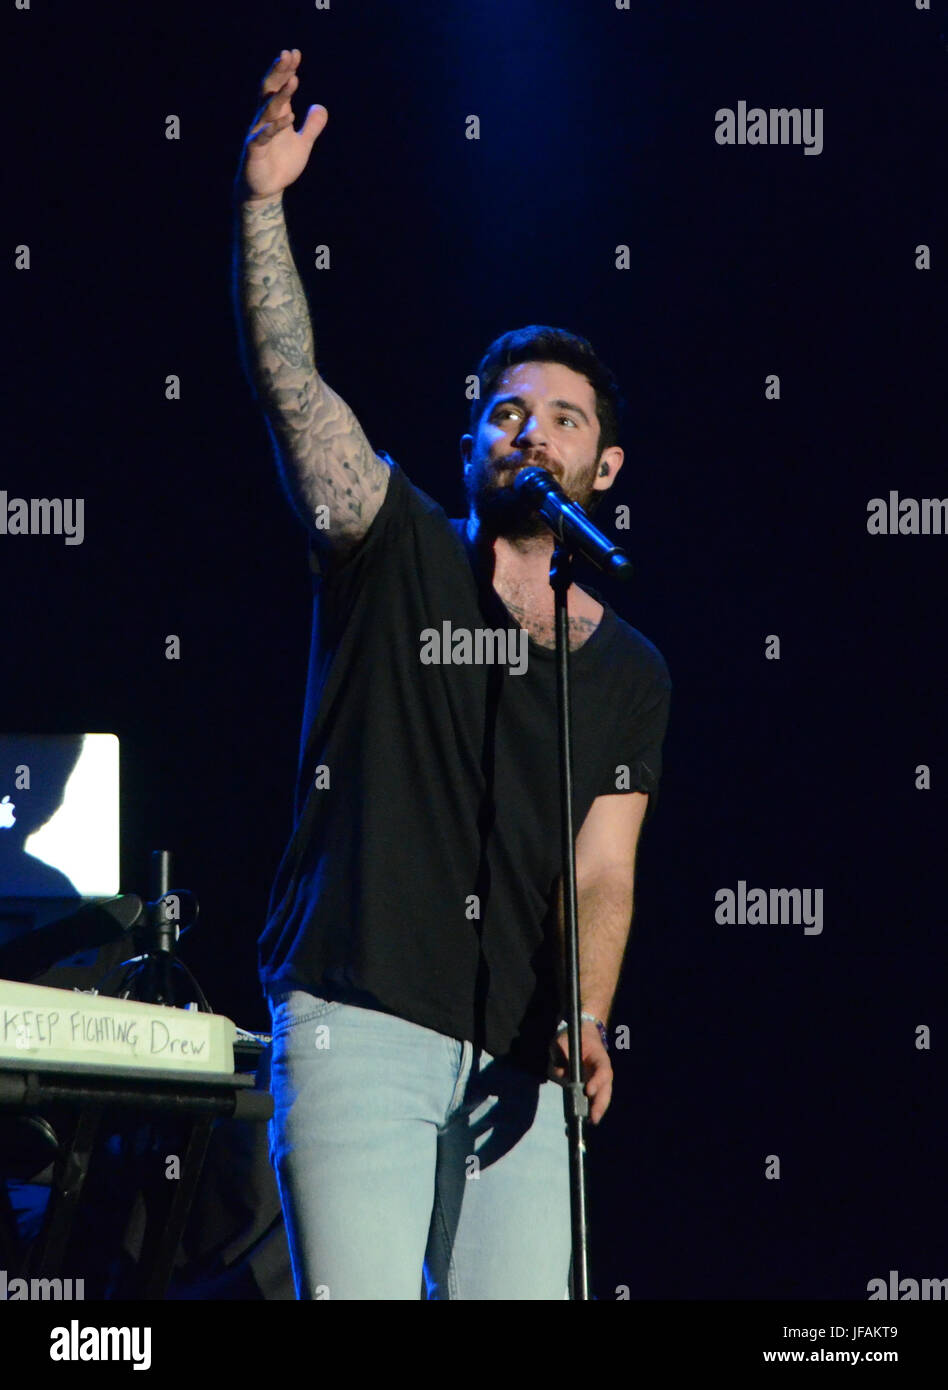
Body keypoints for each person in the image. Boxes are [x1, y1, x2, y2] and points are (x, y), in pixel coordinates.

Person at [232, 49, 671, 1301]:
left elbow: (601, 868)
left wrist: (584, 1020)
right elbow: (290, 387)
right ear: (473, 441)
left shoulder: (629, 670)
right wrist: (263, 205)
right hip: (356, 1017)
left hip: (520, 1068)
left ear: (607, 465)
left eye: (562, 417)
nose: (527, 428)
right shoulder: (393, 545)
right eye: (503, 411)